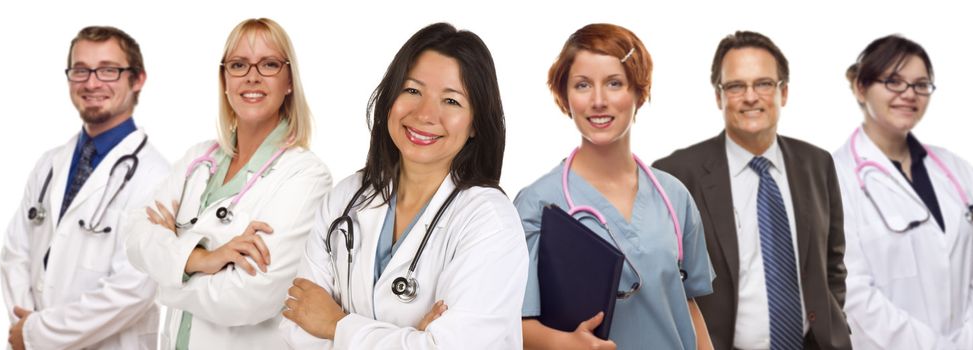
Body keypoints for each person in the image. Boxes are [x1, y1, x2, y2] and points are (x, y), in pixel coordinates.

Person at [279, 22, 528, 349]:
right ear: (390, 98)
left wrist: (335, 324)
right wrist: (412, 339)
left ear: (475, 125)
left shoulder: (489, 223)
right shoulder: (346, 198)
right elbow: (295, 327)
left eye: (451, 101)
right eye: (412, 90)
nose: (425, 114)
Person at [124, 18, 332, 349]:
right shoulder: (198, 160)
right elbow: (134, 233)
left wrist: (167, 274)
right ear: (224, 79)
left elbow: (250, 297)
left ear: (289, 80)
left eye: (269, 64)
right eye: (238, 65)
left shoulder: (305, 176)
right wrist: (201, 260)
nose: (252, 76)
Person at [516, 23, 714, 350]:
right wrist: (566, 344)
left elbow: (687, 305)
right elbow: (514, 324)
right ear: (564, 96)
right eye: (582, 85)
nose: (598, 100)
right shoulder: (537, 204)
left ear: (639, 91)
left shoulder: (674, 195)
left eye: (614, 83)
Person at [652, 31, 851, 350]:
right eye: (735, 86)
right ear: (718, 96)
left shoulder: (818, 163)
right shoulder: (675, 174)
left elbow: (833, 264)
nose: (750, 97)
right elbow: (661, 280)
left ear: (783, 92)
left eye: (763, 84)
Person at [833, 34, 973, 349]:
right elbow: (852, 291)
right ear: (861, 87)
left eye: (920, 84)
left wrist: (967, 343)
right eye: (893, 81)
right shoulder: (833, 178)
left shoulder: (961, 173)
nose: (909, 94)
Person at [0, 25, 169, 349]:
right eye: (81, 71)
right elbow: (15, 252)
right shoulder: (49, 164)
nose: (91, 83)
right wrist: (25, 323)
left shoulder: (157, 178)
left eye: (108, 70)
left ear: (137, 79)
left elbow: (133, 289)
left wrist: (39, 334)